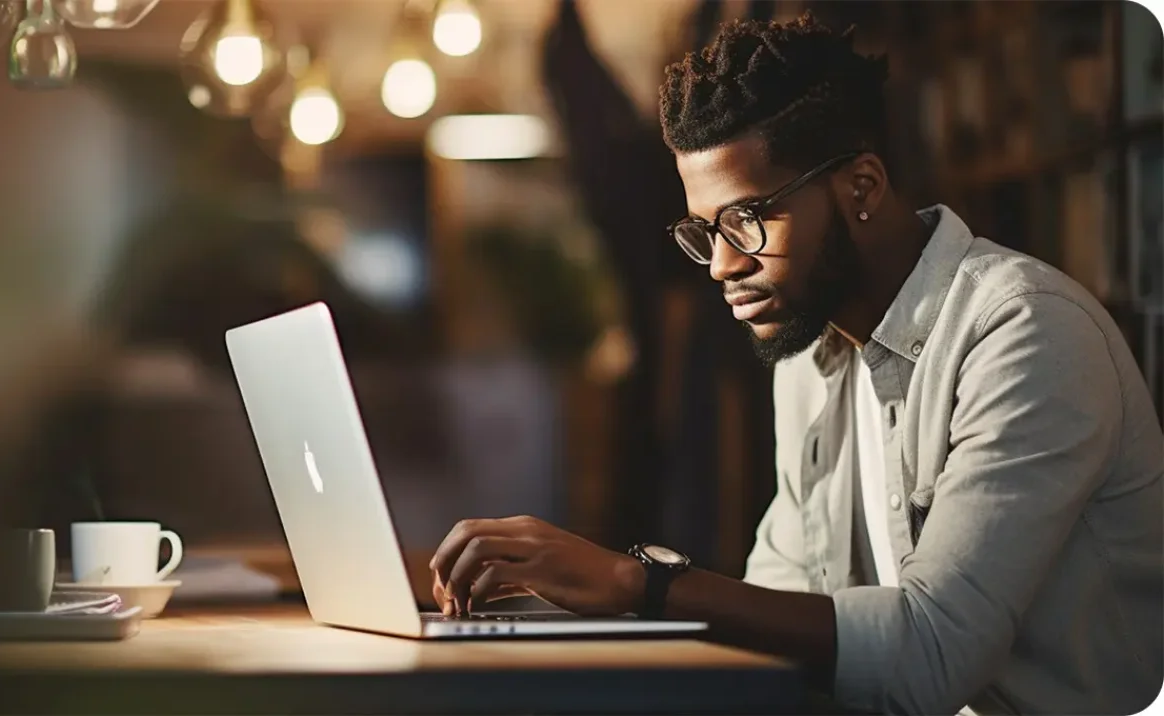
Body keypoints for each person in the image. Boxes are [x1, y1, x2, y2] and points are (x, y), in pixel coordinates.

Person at [428, 12, 1164, 715]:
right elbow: (776, 612)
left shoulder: (1024, 334)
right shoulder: (808, 360)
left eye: (746, 221)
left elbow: (932, 658)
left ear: (863, 188)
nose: (720, 265)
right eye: (703, 229)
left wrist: (634, 582)